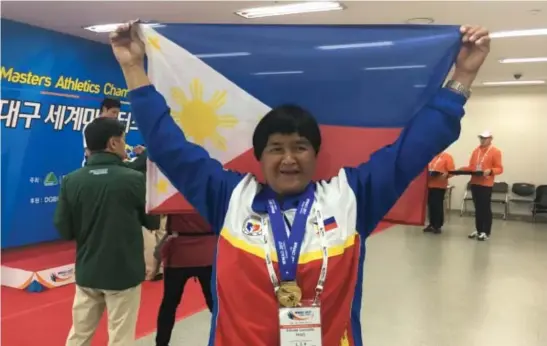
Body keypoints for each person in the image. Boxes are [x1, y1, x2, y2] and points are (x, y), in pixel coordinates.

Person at [110, 23, 490, 346]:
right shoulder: (229, 198)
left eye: (300, 147)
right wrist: (132, 68)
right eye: (276, 148)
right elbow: (168, 146)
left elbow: (413, 148)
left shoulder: (350, 198)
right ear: (260, 157)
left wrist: (463, 77)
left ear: (315, 154)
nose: (288, 158)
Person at [54, 117, 159, 346]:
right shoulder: (134, 180)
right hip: (124, 274)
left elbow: (64, 229)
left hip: (87, 271)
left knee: (79, 335)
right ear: (112, 143)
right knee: (120, 337)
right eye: (123, 140)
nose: (125, 144)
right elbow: (152, 223)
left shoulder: (71, 181)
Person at [155, 213, 216, 346]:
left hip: (178, 253)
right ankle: (226, 340)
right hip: (207, 252)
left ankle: (161, 343)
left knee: (169, 305)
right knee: (216, 304)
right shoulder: (211, 192)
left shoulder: (172, 192)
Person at [460, 130, 503, 241]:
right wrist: (462, 169)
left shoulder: (495, 151)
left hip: (486, 184)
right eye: (481, 138)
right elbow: (472, 167)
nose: (483, 140)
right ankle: (479, 230)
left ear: (490, 139)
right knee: (478, 208)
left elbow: (499, 168)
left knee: (485, 208)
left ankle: (486, 232)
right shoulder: (476, 151)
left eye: (485, 138)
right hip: (475, 183)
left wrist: (491, 170)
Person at [82, 98, 121, 166]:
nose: (116, 116)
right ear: (104, 109)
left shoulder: (116, 127)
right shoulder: (90, 126)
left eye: (117, 113)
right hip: (92, 166)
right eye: (113, 112)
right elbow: (88, 152)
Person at [424, 151, 455, 234]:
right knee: (430, 205)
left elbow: (452, 171)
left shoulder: (447, 157)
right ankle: (431, 223)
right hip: (429, 185)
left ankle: (438, 225)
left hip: (440, 185)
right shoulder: (431, 156)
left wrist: (447, 174)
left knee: (437, 205)